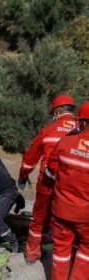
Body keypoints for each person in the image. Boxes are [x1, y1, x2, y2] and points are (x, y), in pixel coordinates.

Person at [18, 94, 77, 264]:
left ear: (57, 111)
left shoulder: (48, 130)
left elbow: (29, 160)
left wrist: (23, 176)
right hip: (74, 185)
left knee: (40, 218)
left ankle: (32, 254)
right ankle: (69, 258)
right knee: (71, 222)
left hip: (47, 183)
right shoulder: (83, 129)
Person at [46, 102, 89, 280]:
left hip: (61, 210)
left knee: (61, 248)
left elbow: (50, 171)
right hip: (86, 215)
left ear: (83, 122)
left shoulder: (65, 141)